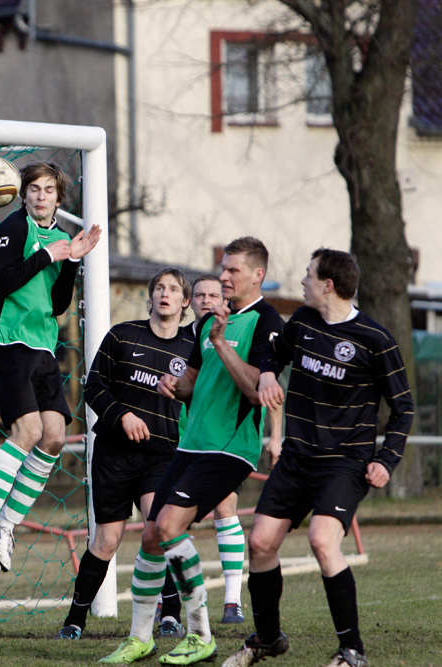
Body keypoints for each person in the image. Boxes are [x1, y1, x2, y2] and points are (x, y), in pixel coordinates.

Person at [222, 249, 413, 667]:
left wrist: (386, 460)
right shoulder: (303, 322)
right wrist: (267, 374)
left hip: (345, 462)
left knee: (322, 541)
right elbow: (273, 353)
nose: (302, 281)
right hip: (297, 457)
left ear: (328, 285)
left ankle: (352, 651)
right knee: (260, 542)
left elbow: (404, 408)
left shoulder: (374, 338)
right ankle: (268, 639)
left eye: (308, 275)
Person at [100, 237, 283, 666]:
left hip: (228, 449)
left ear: (257, 274)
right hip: (191, 445)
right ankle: (140, 638)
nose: (224, 277)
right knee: (150, 534)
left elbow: (256, 390)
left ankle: (201, 635)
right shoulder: (208, 323)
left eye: (233, 270)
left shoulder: (267, 321)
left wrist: (221, 342)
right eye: (223, 268)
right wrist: (174, 385)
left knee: (168, 526)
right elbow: (194, 384)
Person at [0, 161, 101, 573]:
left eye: (49, 190)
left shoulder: (60, 238)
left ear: (59, 198)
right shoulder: (13, 228)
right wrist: (46, 255)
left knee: (55, 437)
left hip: (41, 346)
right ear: (22, 194)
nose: (41, 196)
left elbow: (57, 305)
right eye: (34, 189)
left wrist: (70, 260)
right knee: (28, 432)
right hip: (4, 341)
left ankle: (5, 526)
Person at [54, 268, 194, 641]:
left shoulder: (191, 349)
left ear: (185, 301)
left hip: (161, 455)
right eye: (159, 287)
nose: (165, 293)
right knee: (106, 540)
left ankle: (170, 616)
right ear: (151, 296)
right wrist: (122, 416)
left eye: (173, 289)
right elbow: (93, 388)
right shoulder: (122, 335)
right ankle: (74, 621)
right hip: (114, 454)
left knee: (160, 529)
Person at [170, 275, 284, 628]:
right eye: (199, 294)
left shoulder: (247, 326)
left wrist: (276, 437)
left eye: (213, 294)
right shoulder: (187, 337)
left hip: (225, 441)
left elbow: (267, 386)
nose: (206, 299)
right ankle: (170, 607)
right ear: (190, 301)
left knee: (223, 507)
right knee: (164, 525)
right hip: (187, 439)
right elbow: (188, 384)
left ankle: (231, 601)